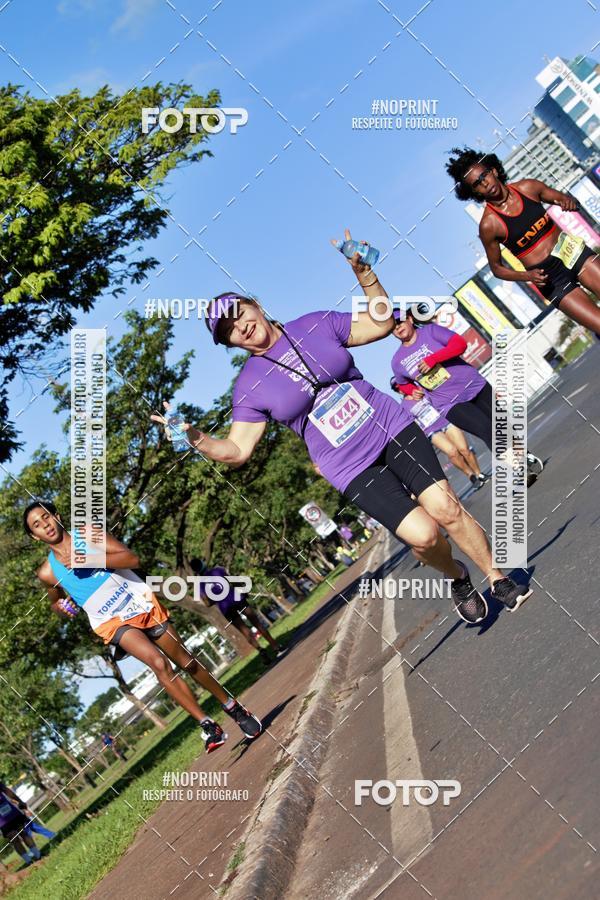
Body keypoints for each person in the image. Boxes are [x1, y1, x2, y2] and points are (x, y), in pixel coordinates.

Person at [152, 229, 532, 624]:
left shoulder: (314, 325)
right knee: (424, 536)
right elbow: (236, 450)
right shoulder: (249, 387)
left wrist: (365, 276)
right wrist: (195, 437)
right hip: (349, 467)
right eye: (229, 330)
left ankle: (496, 576)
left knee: (445, 508)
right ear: (230, 343)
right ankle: (456, 575)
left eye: (240, 315)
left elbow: (380, 325)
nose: (241, 327)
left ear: (256, 305)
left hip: (390, 427)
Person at [24, 501, 262, 753]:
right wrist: (61, 609)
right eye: (37, 525)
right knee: (158, 664)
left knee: (186, 661)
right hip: (110, 620)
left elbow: (132, 559)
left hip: (139, 600)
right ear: (34, 536)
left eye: (46, 517)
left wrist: (89, 559)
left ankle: (231, 706)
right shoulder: (48, 573)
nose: (45, 525)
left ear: (57, 516)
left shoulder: (89, 534)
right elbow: (55, 602)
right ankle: (207, 725)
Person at [446, 147, 600, 333]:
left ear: (493, 170)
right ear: (475, 192)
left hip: (573, 253)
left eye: (484, 175)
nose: (485, 183)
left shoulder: (528, 187)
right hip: (551, 278)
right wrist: (527, 276)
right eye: (477, 184)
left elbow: (567, 200)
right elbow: (497, 269)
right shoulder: (489, 225)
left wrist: (568, 202)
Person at [390, 311, 544, 486]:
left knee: (501, 424)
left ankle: (523, 454)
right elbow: (403, 383)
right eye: (392, 327)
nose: (397, 327)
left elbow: (460, 344)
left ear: (410, 319)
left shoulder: (431, 331)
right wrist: (413, 390)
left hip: (474, 384)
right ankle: (519, 469)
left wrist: (433, 359)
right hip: (448, 403)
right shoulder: (397, 361)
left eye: (399, 321)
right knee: (486, 428)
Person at [389, 376, 489, 490]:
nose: (400, 389)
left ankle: (478, 473)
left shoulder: (423, 390)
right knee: (452, 452)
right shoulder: (404, 406)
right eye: (396, 389)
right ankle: (471, 475)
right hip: (431, 430)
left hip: (446, 420)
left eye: (401, 385)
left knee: (464, 449)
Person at [189, 558, 284, 665]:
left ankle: (261, 651)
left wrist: (215, 597)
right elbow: (234, 582)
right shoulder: (218, 570)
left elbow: (207, 603)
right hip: (237, 599)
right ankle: (275, 646)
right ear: (203, 563)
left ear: (195, 570)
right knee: (256, 622)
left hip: (226, 608)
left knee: (244, 631)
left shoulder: (199, 584)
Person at [0, 781, 41, 867]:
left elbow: (7, 791)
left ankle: (38, 856)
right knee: (15, 839)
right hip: (3, 822)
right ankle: (29, 861)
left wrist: (20, 801)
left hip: (13, 814)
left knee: (24, 834)